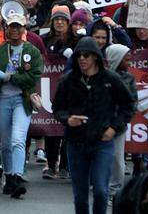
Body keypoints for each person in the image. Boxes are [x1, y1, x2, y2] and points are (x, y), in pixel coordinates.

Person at [52, 37, 135, 214]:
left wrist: (114, 128)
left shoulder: (110, 78)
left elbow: (128, 105)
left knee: (100, 190)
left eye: (87, 55)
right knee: (80, 196)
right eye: (79, 56)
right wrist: (68, 119)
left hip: (101, 142)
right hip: (76, 143)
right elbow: (57, 108)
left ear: (96, 57)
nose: (82, 59)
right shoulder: (68, 80)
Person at [0, 8, 44, 198]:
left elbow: (33, 76)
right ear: (6, 28)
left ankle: (17, 176)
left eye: (18, 27)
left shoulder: (32, 51)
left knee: (17, 139)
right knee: (4, 143)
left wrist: (9, 77)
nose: (14, 30)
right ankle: (9, 176)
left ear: (24, 28)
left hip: (22, 99)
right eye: (11, 26)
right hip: (3, 100)